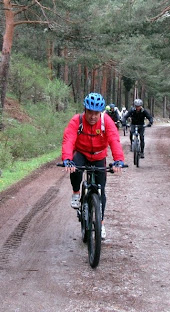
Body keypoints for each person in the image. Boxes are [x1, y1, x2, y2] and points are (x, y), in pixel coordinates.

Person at [62, 92, 125, 239]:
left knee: (101, 190)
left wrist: (118, 161)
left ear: (100, 112)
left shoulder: (106, 121)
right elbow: (69, 139)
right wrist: (67, 159)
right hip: (82, 153)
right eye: (90, 112)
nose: (92, 116)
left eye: (96, 113)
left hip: (99, 155)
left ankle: (100, 224)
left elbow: (114, 140)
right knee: (75, 168)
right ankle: (77, 193)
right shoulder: (77, 120)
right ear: (85, 110)